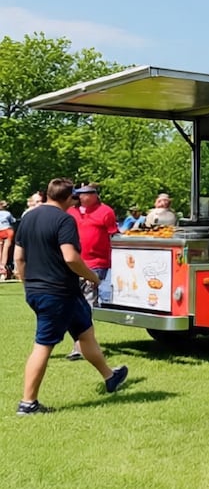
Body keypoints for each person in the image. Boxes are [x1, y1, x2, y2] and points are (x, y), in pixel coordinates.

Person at [12, 177, 128, 415]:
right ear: (67, 198)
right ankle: (28, 403)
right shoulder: (65, 219)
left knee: (85, 332)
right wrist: (94, 278)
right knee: (43, 345)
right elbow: (71, 258)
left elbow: (18, 258)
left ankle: (110, 377)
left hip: (46, 290)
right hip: (57, 293)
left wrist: (28, 283)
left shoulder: (28, 217)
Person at [66, 184, 118, 360]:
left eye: (87, 194)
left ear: (95, 195)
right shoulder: (71, 212)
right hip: (73, 262)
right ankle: (84, 344)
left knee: (87, 304)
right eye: (80, 194)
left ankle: (81, 347)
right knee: (72, 304)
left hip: (96, 264)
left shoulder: (105, 211)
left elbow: (113, 235)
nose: (82, 197)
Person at [0, 200, 15, 280]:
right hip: (7, 230)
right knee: (6, 251)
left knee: (0, 252)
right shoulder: (8, 213)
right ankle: (3, 270)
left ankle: (1, 270)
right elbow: (13, 221)